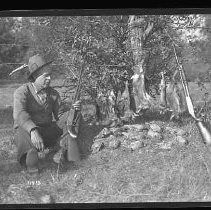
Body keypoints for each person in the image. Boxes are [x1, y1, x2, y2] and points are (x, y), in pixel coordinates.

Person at [13, 54, 81, 174]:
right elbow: (19, 113)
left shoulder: (53, 93)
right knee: (21, 130)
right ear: (34, 76)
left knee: (72, 115)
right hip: (29, 134)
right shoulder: (22, 92)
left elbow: (61, 115)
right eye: (46, 76)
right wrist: (33, 130)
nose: (49, 78)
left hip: (47, 132)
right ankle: (30, 162)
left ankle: (63, 151)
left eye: (50, 75)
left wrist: (73, 110)